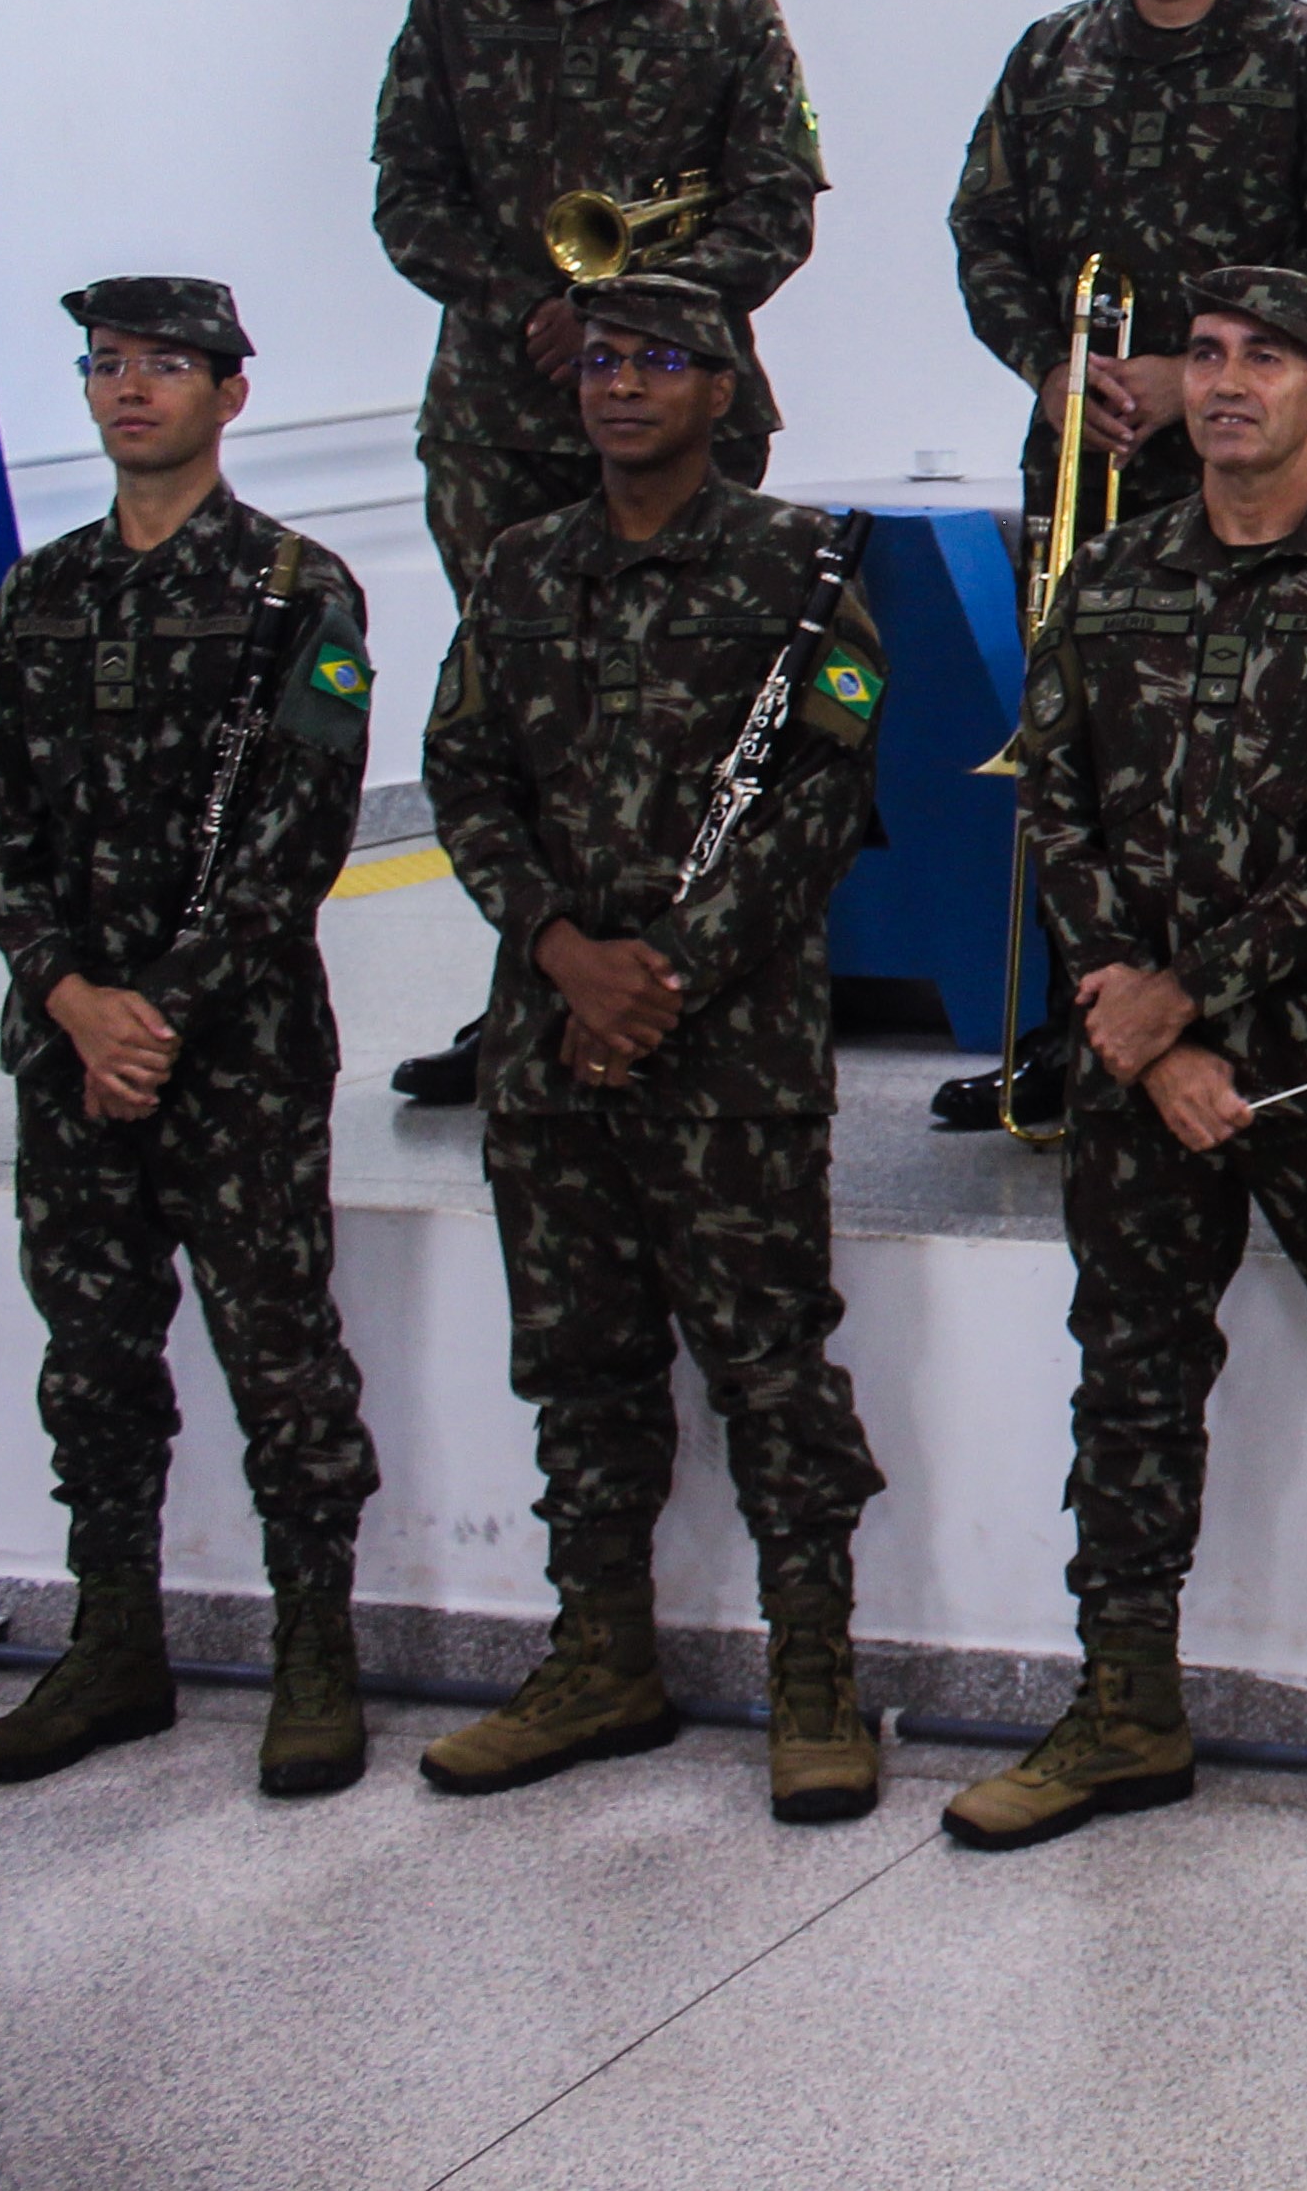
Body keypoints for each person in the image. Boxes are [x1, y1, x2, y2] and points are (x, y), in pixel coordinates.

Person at [940, 265, 1307, 1885]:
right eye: (1204, 355)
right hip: (1143, 1061)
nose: (1230, 380)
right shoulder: (1113, 579)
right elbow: (1052, 801)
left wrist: (1191, 998)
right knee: (1126, 1379)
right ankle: (1123, 1701)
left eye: (1269, 357)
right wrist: (1143, 1017)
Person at [412, 275, 889, 1825]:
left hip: (726, 1049)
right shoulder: (520, 565)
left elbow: (822, 803)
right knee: (580, 1364)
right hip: (554, 1043)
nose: (620, 385)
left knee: (768, 1364)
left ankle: (814, 1673)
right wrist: (562, 954)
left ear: (720, 386)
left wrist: (662, 975)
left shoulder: (797, 566)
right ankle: (598, 1655)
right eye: (601, 360)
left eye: (657, 362)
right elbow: (463, 776)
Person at [0, 278, 382, 1797]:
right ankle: (115, 1642)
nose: (133, 391)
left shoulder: (293, 585)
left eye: (168, 368)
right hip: (69, 1049)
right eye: (110, 367)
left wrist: (165, 1009)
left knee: (282, 1360)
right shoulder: (38, 589)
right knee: (94, 1359)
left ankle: (315, 1656)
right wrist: (74, 997)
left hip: (236, 1049)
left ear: (230, 395)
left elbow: (300, 831)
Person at [371, 0, 822, 1108]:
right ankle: (538, 985)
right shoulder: (457, 1)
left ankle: (688, 990)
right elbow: (409, 196)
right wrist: (532, 302)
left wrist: (635, 323)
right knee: (523, 724)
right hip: (502, 420)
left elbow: (779, 207)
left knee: (699, 724)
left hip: (689, 421)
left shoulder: (726, 8)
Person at [937, 0, 1307, 1134]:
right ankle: (1073, 1028)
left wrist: (1203, 369)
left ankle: (1238, 1014)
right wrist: (1054, 367)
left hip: (1249, 466)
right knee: (1080, 756)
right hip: (1086, 448)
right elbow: (984, 224)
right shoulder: (1054, 55)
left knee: (1261, 751)